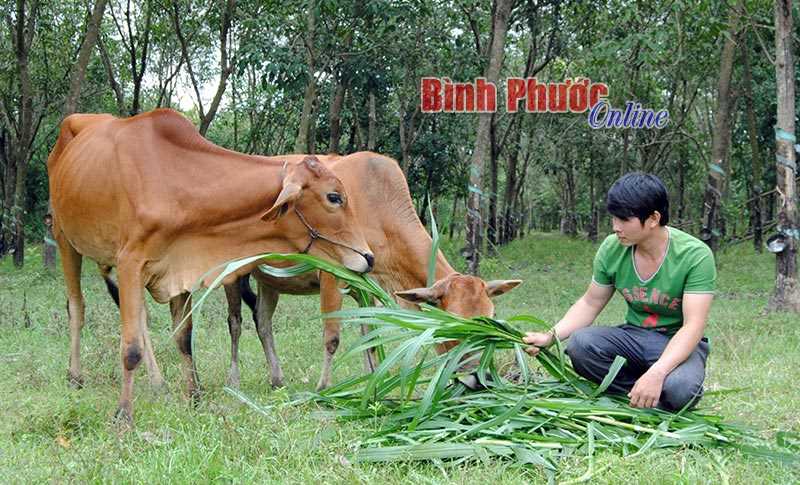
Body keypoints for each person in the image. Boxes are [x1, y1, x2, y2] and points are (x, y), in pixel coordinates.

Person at [523, 172, 716, 411]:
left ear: (654, 218)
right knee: (580, 345)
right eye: (614, 219)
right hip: (634, 336)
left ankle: (656, 388)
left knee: (681, 390)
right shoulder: (612, 248)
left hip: (676, 341)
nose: (616, 227)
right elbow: (590, 303)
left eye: (624, 220)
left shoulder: (694, 255)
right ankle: (639, 393)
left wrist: (657, 372)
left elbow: (693, 326)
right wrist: (550, 336)